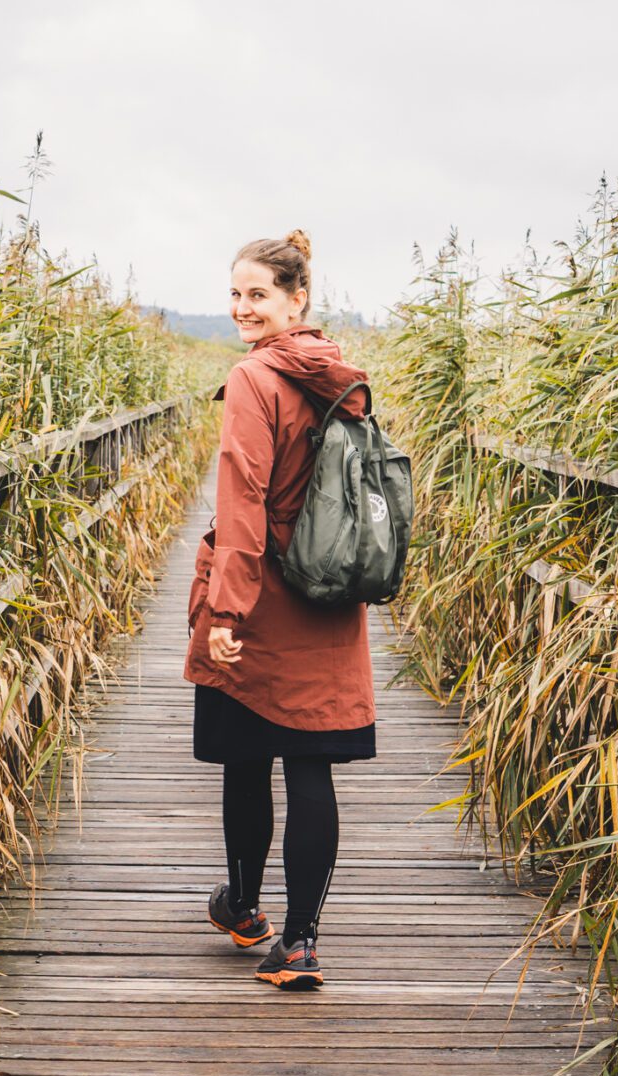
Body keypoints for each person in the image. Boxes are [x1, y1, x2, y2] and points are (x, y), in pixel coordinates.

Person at [183, 230, 376, 990]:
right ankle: (299, 942)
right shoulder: (341, 375)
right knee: (310, 761)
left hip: (260, 594)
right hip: (328, 592)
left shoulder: (254, 379)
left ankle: (242, 907)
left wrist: (225, 612)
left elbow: (243, 500)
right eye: (234, 294)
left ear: (298, 298)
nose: (241, 308)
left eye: (257, 294)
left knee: (244, 752)